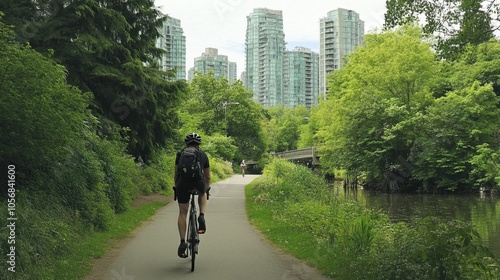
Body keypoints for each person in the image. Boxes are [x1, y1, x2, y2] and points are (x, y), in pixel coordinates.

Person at [174, 132, 210, 258]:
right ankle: (201, 216)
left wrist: (177, 186)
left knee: (183, 212)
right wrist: (206, 187)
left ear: (186, 144)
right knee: (203, 193)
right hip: (198, 182)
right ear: (198, 144)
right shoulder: (203, 155)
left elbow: (176, 173)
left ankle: (183, 242)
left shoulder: (180, 154)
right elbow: (207, 176)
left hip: (182, 183)